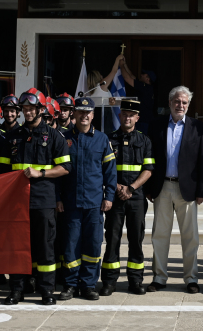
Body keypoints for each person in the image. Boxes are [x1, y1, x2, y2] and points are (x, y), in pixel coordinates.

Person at [0, 89, 71, 305]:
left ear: (40, 109)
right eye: (25, 109)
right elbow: (2, 170)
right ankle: (17, 290)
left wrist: (42, 174)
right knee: (18, 247)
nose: (27, 112)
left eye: (31, 109)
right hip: (17, 202)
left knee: (45, 247)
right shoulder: (11, 137)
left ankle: (46, 290)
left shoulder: (55, 136)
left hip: (43, 200)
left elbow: (66, 167)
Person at [145, 86, 203, 293]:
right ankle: (159, 277)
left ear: (188, 105)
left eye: (184, 102)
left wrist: (202, 190)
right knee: (160, 235)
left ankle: (191, 278)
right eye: (176, 101)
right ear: (170, 103)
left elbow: (202, 160)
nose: (180, 105)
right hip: (162, 186)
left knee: (190, 237)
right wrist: (148, 186)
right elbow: (149, 158)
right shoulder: (156, 126)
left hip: (187, 189)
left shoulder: (198, 127)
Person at [57, 97, 116, 301]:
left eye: (88, 112)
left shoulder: (101, 139)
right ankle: (70, 285)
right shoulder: (63, 139)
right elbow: (58, 172)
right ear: (74, 114)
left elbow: (110, 172)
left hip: (94, 203)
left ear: (93, 114)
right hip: (71, 202)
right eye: (80, 111)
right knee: (71, 245)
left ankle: (88, 285)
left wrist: (109, 196)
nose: (84, 115)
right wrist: (58, 198)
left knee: (92, 244)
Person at [99, 99, 153, 295]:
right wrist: (118, 187)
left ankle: (135, 281)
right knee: (112, 239)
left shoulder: (144, 141)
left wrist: (130, 188)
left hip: (136, 197)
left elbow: (148, 170)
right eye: (125, 114)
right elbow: (103, 169)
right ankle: (109, 282)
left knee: (136, 239)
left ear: (137, 118)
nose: (128, 117)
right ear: (119, 116)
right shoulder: (108, 139)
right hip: (114, 197)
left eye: (132, 114)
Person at [120, 57, 156, 135]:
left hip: (143, 122)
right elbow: (131, 76)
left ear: (147, 78)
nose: (141, 75)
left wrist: (121, 65)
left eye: (143, 74)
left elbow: (127, 78)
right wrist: (125, 64)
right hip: (145, 121)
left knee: (141, 142)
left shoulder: (144, 87)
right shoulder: (147, 87)